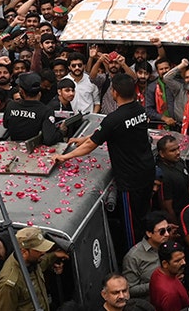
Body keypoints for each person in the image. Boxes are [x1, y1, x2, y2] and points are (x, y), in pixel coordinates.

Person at [52, 74, 153, 258]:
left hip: (130, 180)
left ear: (114, 92)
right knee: (144, 215)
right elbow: (103, 134)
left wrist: (66, 156)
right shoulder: (139, 110)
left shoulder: (114, 119)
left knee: (132, 225)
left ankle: (135, 258)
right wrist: (82, 139)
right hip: (146, 171)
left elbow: (92, 145)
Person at [0, 227, 63, 311]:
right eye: (39, 250)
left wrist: (54, 255)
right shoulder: (9, 284)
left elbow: (42, 263)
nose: (43, 252)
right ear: (24, 252)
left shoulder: (31, 262)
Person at [122, 212, 170, 299]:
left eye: (168, 229)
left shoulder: (168, 246)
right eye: (162, 231)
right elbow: (130, 289)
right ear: (149, 233)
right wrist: (158, 283)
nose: (167, 234)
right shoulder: (134, 256)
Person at [149, 241, 189, 311]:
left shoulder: (158, 272)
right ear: (165, 264)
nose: (183, 262)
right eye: (177, 261)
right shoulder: (170, 295)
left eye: (183, 258)